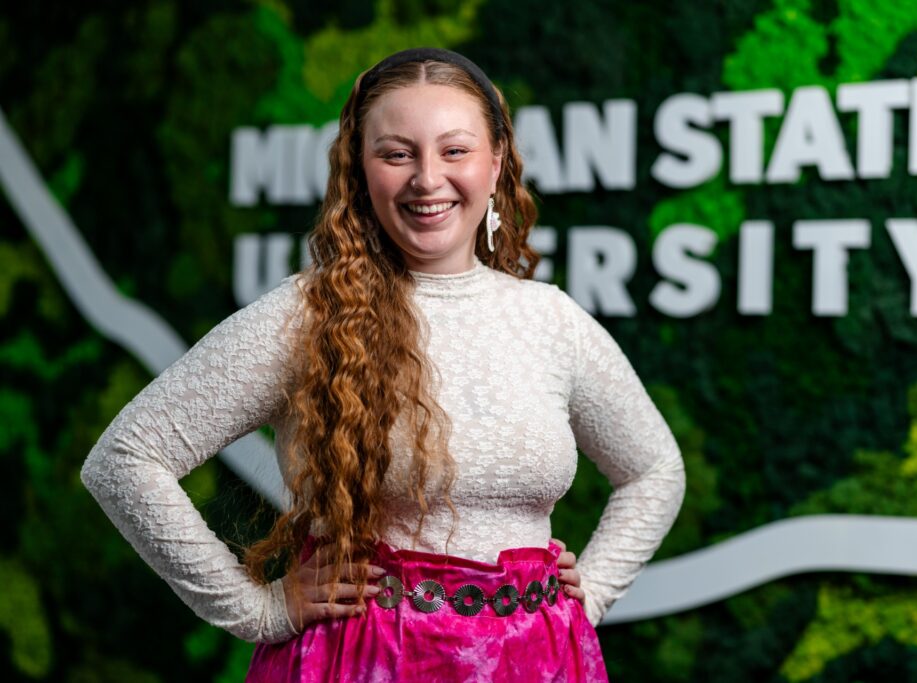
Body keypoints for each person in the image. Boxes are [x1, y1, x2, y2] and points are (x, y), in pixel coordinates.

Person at [81, 47, 685, 682]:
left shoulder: (552, 321)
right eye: (397, 153)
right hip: (361, 661)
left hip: (535, 663)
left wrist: (590, 590)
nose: (428, 179)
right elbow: (127, 456)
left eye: (454, 150)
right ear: (359, 170)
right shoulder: (309, 313)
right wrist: (255, 610)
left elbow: (654, 470)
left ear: (496, 161)